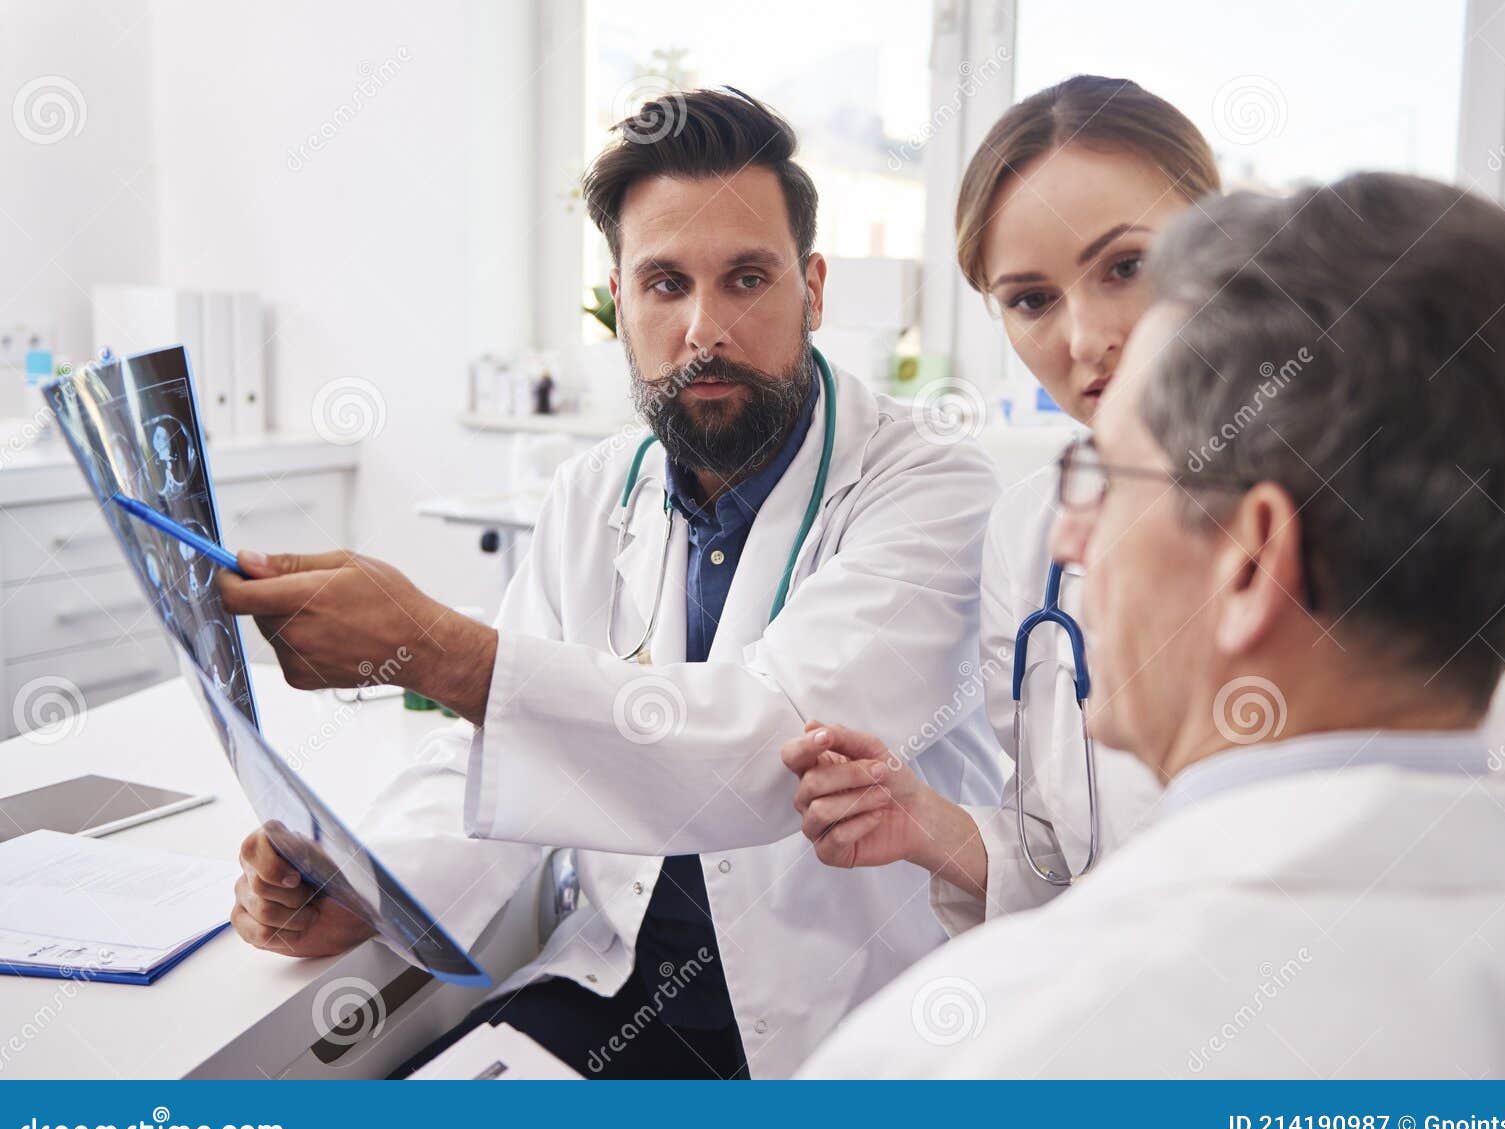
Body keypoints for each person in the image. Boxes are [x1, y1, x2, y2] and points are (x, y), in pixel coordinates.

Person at [218, 88, 1003, 1079]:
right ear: (617, 301)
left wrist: (429, 645)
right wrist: (365, 889)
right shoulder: (593, 493)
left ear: (812, 288)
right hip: (618, 989)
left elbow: (767, 747)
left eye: (748, 278)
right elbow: (490, 754)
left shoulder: (928, 485)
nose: (704, 329)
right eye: (665, 283)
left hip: (847, 1020)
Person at [796, 171, 1505, 1077]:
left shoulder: (964, 1058)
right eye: (1029, 297)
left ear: (1252, 558)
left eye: (1107, 477)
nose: (1069, 534)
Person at [788, 77, 1217, 931]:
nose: (1087, 339)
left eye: (1126, 267)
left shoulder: (1363, 508)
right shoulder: (1030, 536)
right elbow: (1057, 858)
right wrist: (923, 823)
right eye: (1031, 300)